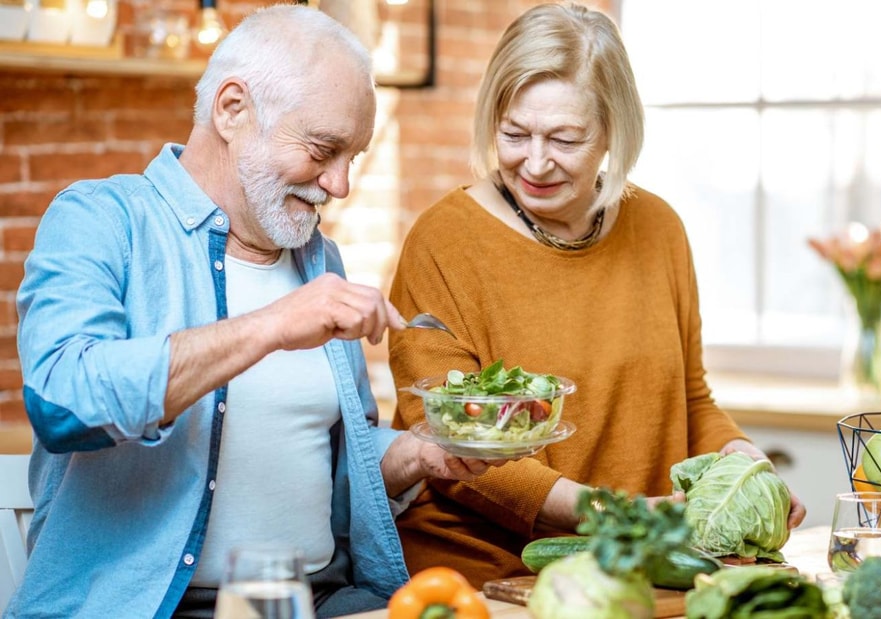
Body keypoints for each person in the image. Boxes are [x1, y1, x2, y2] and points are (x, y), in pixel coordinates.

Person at [9, 5, 498, 618]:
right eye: (324, 148)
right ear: (232, 109)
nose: (340, 184)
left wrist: (420, 456)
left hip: (320, 601)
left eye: (355, 157)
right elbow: (63, 402)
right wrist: (270, 326)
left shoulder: (320, 261)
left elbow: (319, 462)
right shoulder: (102, 220)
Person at [387, 1, 807, 588]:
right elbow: (447, 442)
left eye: (565, 138)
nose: (534, 162)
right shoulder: (443, 241)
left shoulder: (659, 228)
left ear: (613, 130)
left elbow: (690, 398)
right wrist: (611, 514)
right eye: (514, 134)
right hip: (488, 576)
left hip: (638, 567)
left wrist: (745, 466)